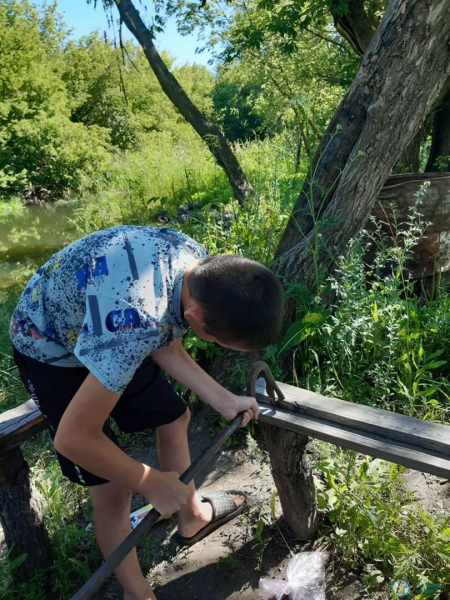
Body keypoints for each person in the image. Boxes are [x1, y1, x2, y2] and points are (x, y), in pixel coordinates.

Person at [10, 225, 284, 600]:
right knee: (113, 489)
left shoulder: (194, 264)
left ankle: (192, 517)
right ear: (197, 318)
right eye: (219, 341)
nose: (219, 346)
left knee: (174, 417)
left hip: (110, 327)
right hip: (51, 347)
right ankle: (137, 594)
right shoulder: (136, 325)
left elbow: (165, 340)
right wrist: (150, 482)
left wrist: (222, 398)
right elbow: (74, 438)